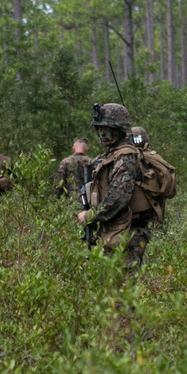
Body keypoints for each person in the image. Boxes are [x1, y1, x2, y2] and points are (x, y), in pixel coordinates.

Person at [77, 103, 149, 269]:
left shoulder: (125, 158)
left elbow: (118, 199)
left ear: (119, 129)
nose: (102, 133)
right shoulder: (112, 155)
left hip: (127, 235)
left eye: (107, 128)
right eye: (99, 129)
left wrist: (89, 215)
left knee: (123, 289)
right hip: (115, 232)